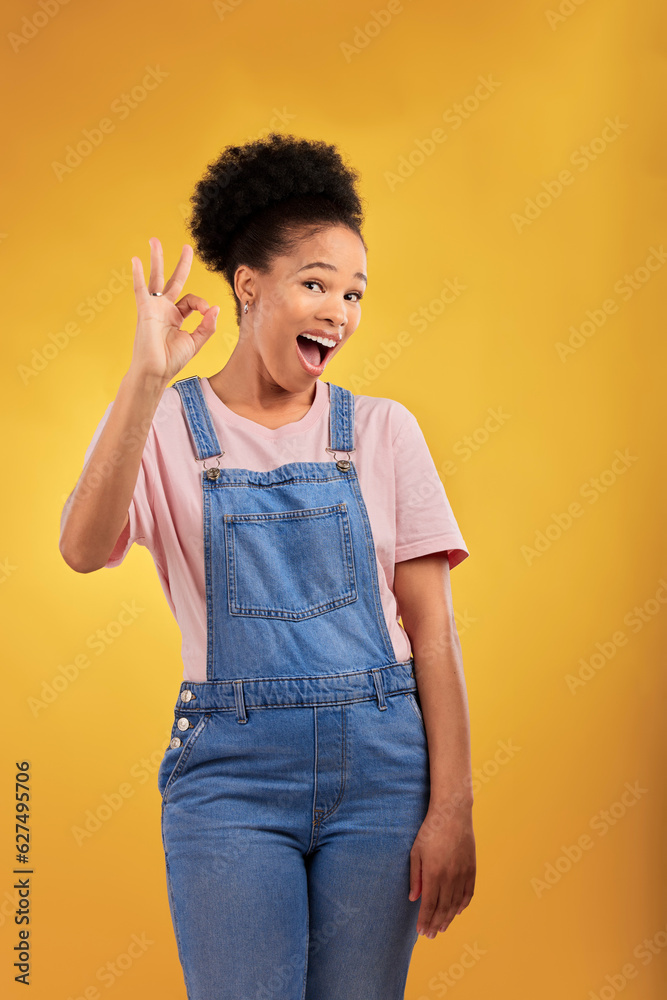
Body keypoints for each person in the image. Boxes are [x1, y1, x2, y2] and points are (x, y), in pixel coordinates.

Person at [59, 133, 476, 1000]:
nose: (339, 311)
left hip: (384, 775)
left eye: (354, 292)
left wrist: (451, 807)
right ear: (249, 287)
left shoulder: (383, 431)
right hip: (232, 780)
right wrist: (143, 376)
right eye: (315, 283)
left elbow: (432, 629)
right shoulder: (167, 425)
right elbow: (83, 549)